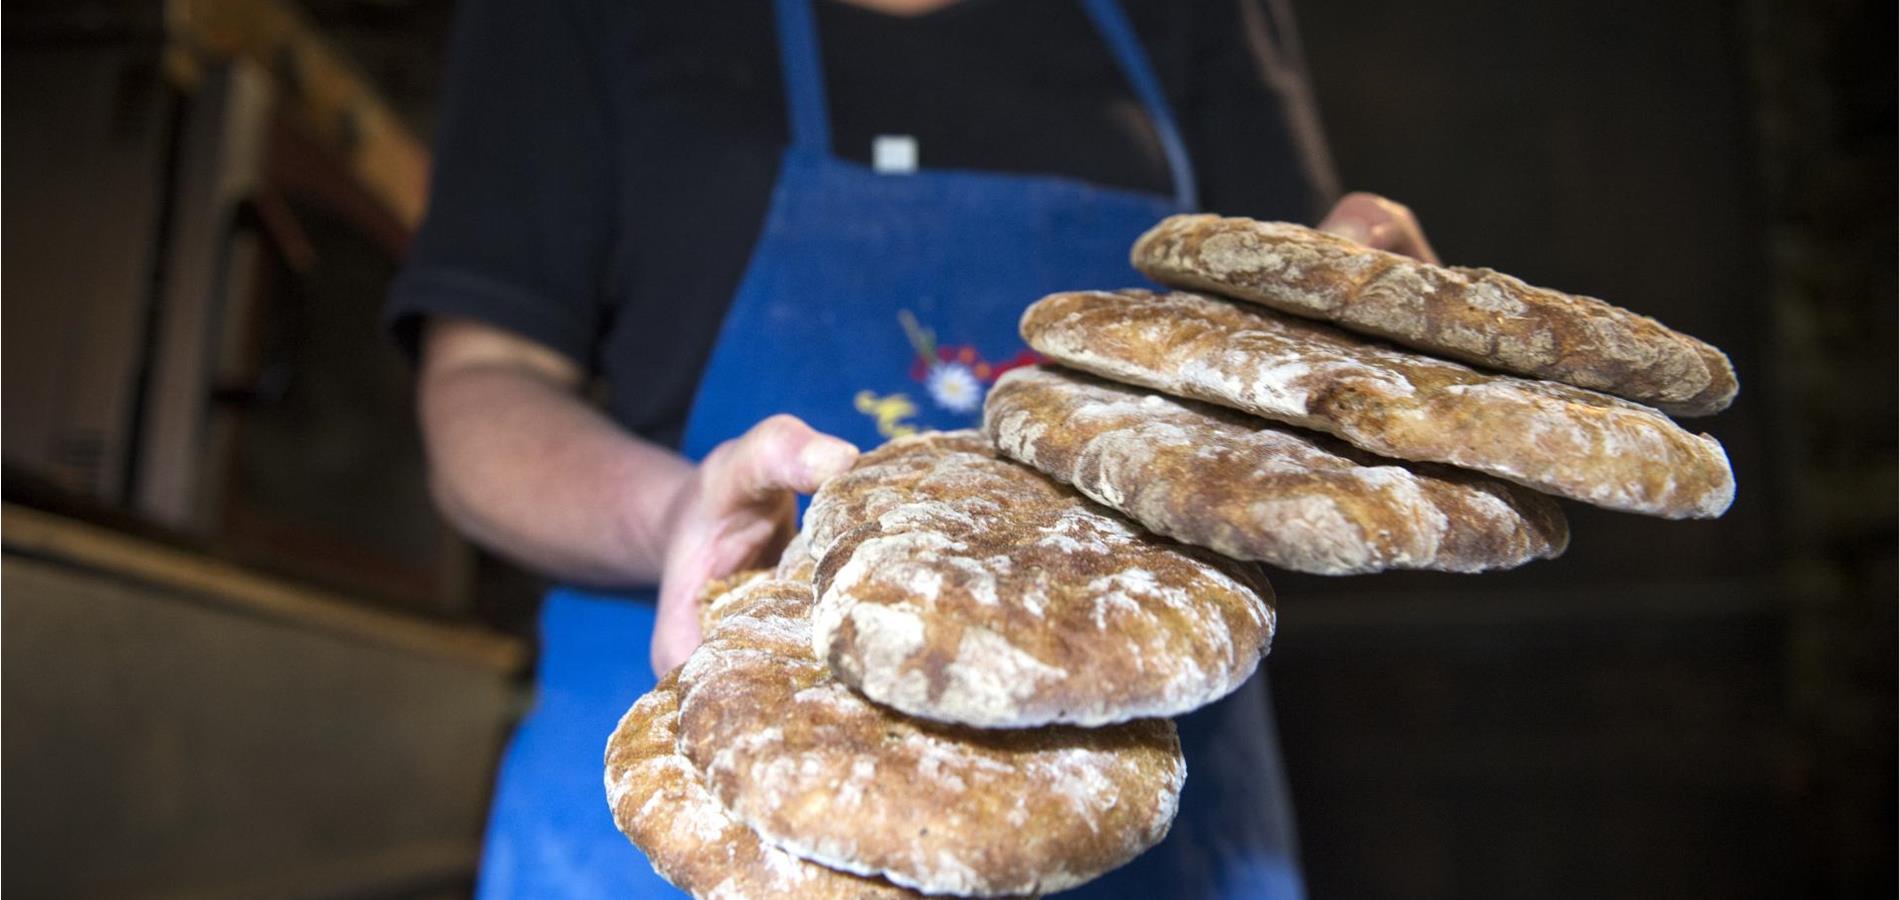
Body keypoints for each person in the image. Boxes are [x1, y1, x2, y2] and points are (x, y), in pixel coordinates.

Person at [387, 0, 1438, 896]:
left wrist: (1366, 357)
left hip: (1132, 774)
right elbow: (489, 385)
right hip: (699, 715)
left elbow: (1270, 362)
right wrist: (669, 515)